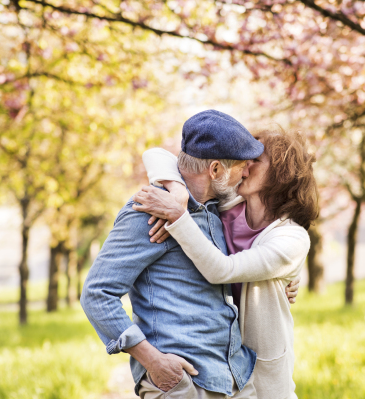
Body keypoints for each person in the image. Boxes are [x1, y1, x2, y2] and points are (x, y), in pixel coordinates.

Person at [80, 110, 264, 399]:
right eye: (242, 165)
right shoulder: (148, 212)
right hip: (184, 384)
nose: (246, 172)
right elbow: (96, 293)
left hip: (233, 379)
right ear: (215, 170)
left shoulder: (216, 210)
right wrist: (153, 361)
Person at [134, 127, 319, 399]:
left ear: (280, 174)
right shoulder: (226, 204)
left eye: (256, 160)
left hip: (262, 375)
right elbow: (155, 154)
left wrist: (177, 217)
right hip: (216, 363)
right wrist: (176, 188)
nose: (245, 165)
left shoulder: (292, 238)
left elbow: (223, 270)